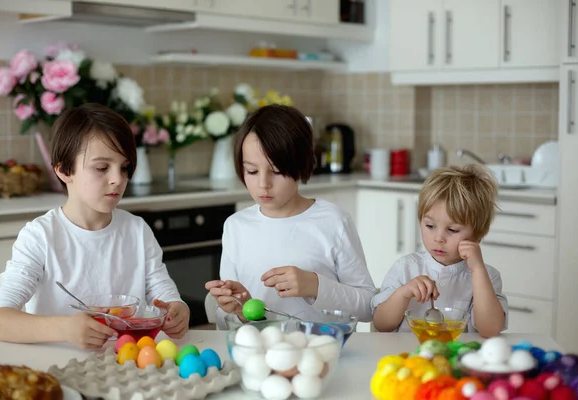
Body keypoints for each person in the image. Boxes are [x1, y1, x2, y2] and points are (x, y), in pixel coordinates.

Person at [0, 103, 189, 348]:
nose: (117, 179)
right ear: (63, 170)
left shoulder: (137, 230)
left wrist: (177, 309)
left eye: (124, 168)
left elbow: (164, 296)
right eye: (102, 168)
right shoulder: (40, 236)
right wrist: (64, 328)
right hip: (57, 370)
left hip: (126, 366)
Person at [205, 104, 376, 329]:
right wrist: (240, 310)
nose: (263, 184)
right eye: (252, 171)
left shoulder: (333, 221)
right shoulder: (236, 226)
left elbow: (369, 306)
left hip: (322, 352)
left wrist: (316, 286)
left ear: (301, 164)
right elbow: (223, 320)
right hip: (258, 353)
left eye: (276, 171)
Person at [371, 164, 508, 337]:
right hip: (410, 360)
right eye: (430, 226)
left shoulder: (487, 277)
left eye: (452, 230)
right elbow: (381, 324)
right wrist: (403, 294)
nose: (439, 238)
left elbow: (490, 330)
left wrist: (478, 270)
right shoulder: (405, 267)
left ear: (478, 234)